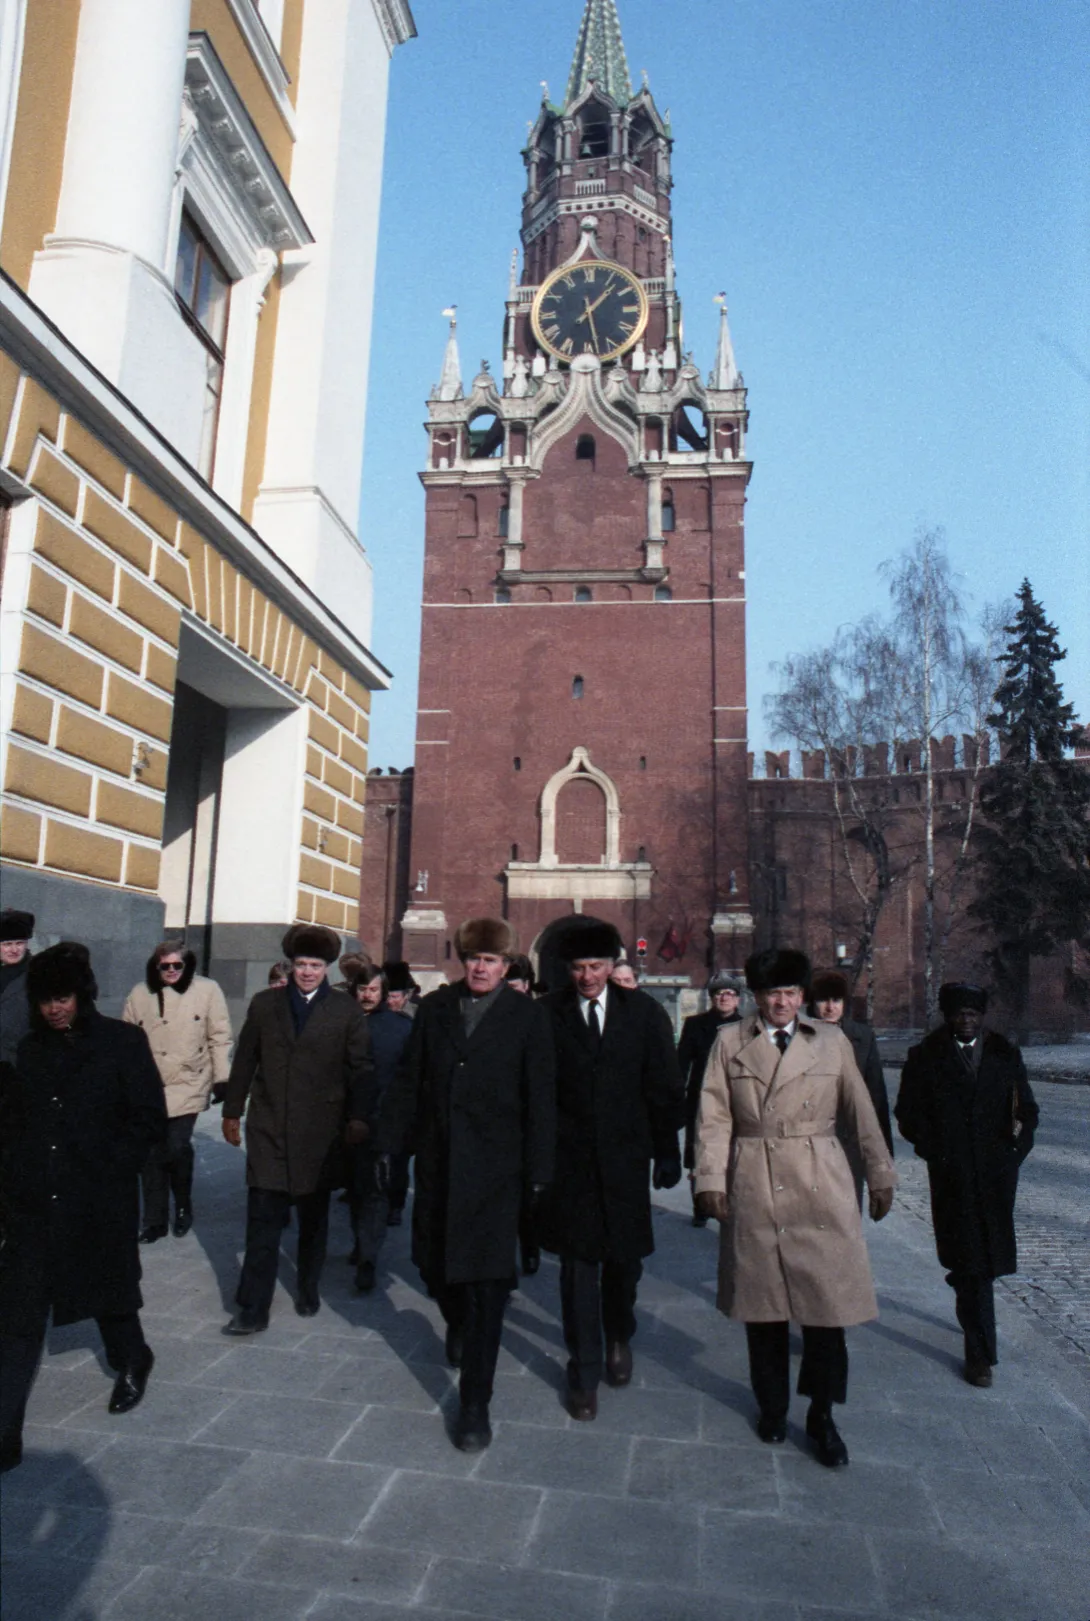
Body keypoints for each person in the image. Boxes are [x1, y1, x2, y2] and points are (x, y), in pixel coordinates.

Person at [695, 948, 896, 1468]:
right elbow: (713, 1118)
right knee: (762, 1308)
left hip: (820, 1179)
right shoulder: (729, 1042)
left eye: (790, 992)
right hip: (754, 1178)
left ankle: (823, 1415)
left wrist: (880, 1173)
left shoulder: (831, 1042)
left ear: (802, 996)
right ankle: (772, 1406)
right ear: (756, 997)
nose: (781, 1002)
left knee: (828, 1311)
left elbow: (862, 1111)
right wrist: (710, 1179)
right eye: (771, 993)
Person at [377, 919, 555, 1452]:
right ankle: (455, 1318)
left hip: (497, 1173)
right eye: (474, 958)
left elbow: (541, 1096)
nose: (481, 968)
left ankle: (475, 1404)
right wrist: (389, 1144)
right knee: (432, 1267)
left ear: (507, 966)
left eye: (491, 960)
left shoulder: (527, 1016)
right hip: (439, 1164)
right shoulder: (435, 1008)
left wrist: (540, 1171)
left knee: (487, 1289)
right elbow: (409, 1079)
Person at [0, 943, 166, 1473]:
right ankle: (4, 1433)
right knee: (18, 1318)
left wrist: (112, 1166)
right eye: (45, 1000)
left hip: (97, 1199)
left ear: (82, 995)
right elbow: (15, 1124)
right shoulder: (30, 1050)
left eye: (63, 998)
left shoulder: (122, 1042)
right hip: (36, 1204)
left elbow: (147, 1118)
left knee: (109, 1297)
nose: (55, 1009)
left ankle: (133, 1358)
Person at [537, 921, 684, 1421]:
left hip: (625, 1161)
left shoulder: (643, 1013)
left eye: (596, 966)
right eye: (579, 967)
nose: (587, 977)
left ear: (612, 964)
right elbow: (537, 1089)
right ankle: (583, 1368)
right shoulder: (548, 1013)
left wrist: (667, 1150)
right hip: (570, 1163)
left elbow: (664, 1085)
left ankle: (619, 1332)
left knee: (624, 1261)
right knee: (577, 1267)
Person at [221, 924, 373, 1334]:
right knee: (262, 1221)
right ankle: (253, 1308)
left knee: (312, 1219)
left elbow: (360, 1069)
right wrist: (232, 1111)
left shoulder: (345, 1011)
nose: (307, 972)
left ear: (326, 969)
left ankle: (307, 1286)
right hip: (269, 1127)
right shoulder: (264, 1004)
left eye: (315, 966)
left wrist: (358, 1117)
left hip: (320, 1134)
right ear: (291, 966)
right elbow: (245, 1059)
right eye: (301, 964)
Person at [895, 982, 1038, 1388]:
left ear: (982, 1016)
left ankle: (972, 1322)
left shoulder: (1004, 1054)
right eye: (959, 1013)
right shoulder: (925, 1057)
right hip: (952, 1177)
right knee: (971, 1262)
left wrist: (1015, 1154)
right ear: (947, 1016)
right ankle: (979, 1355)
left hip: (995, 1178)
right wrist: (935, 1152)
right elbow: (907, 1113)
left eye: (973, 1014)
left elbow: (1028, 1111)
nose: (966, 1020)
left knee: (981, 1264)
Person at [123, 942, 232, 1242]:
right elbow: (125, 1039)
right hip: (149, 1085)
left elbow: (220, 1036)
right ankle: (154, 1221)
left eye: (177, 965)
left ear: (187, 965)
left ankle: (183, 1205)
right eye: (165, 966)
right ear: (156, 966)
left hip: (189, 1081)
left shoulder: (207, 990)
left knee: (175, 1146)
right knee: (150, 1153)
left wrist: (222, 1078)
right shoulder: (139, 993)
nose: (171, 971)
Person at [347, 965, 412, 1292]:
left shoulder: (400, 1028)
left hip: (381, 1121)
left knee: (375, 1190)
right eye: (362, 989)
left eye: (373, 989)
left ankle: (368, 1257)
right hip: (342, 1120)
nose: (367, 995)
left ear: (384, 992)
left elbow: (406, 1079)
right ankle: (361, 1243)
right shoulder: (342, 1021)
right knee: (355, 1189)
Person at [809, 969, 894, 1206]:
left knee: (847, 1208)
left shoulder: (862, 1037)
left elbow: (876, 1097)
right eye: (823, 1000)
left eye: (836, 1000)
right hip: (810, 1138)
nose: (830, 1008)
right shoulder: (799, 1036)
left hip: (849, 1139)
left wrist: (882, 1163)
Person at [678, 971, 743, 1227]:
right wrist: (678, 1096)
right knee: (700, 1151)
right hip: (701, 1097)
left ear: (737, 999)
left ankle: (730, 1204)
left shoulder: (747, 1027)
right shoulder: (695, 1025)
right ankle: (701, 1207)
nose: (724, 998)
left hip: (735, 1097)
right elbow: (681, 1064)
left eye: (730, 993)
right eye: (719, 993)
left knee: (733, 1152)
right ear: (712, 998)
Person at [504, 955, 542, 1274]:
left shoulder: (539, 1017)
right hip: (496, 1122)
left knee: (527, 1196)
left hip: (529, 1121)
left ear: (527, 986)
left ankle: (530, 1246)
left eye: (514, 987)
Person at [382, 962, 419, 1225]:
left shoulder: (416, 1020)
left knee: (399, 1158)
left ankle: (395, 1204)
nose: (390, 1001)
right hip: (380, 1097)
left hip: (404, 1102)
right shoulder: (375, 1018)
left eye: (395, 996)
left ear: (406, 996)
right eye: (387, 995)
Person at [0, 908, 35, 1066]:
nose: (14, 950)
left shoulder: (41, 975)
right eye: (7, 944)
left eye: (19, 943)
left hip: (18, 1065)